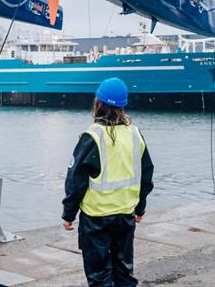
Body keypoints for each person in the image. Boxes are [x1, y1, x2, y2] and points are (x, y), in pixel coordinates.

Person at [62, 77, 154, 287]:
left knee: (99, 275)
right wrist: (140, 207)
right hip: (125, 215)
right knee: (124, 272)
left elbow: (76, 180)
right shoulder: (134, 134)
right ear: (123, 106)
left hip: (97, 218)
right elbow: (146, 174)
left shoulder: (92, 136)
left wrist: (69, 214)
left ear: (98, 104)